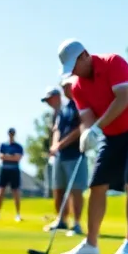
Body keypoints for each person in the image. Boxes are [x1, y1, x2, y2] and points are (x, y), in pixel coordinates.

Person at [56, 40, 128, 254]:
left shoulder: (113, 62)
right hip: (113, 133)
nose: (73, 73)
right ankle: (91, 244)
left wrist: (95, 129)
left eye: (74, 66)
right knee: (97, 185)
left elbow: (123, 99)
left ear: (85, 55)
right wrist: (86, 135)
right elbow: (87, 120)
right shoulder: (77, 87)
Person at [41, 86, 86, 236]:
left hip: (75, 154)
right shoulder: (63, 110)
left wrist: (61, 144)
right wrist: (55, 145)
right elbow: (57, 130)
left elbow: (82, 127)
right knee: (58, 189)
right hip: (60, 156)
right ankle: (61, 220)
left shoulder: (80, 105)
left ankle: (77, 224)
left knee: (76, 189)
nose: (65, 88)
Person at [0, 128, 23, 222]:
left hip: (14, 171)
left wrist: (7, 156)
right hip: (4, 170)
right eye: (10, 133)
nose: (11, 135)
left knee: (16, 192)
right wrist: (11, 156)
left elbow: (17, 158)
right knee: (1, 190)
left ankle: (18, 214)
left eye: (13, 133)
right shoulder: (3, 145)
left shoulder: (18, 146)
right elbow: (1, 156)